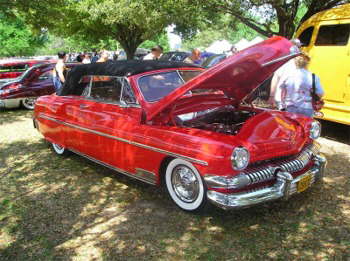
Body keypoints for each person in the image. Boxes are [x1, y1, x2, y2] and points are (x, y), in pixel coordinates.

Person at [269, 39, 301, 109]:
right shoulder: (285, 62)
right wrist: (271, 96)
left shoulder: (298, 63)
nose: (299, 48)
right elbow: (276, 77)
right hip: (283, 100)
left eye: (299, 47)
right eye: (298, 46)